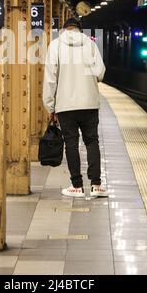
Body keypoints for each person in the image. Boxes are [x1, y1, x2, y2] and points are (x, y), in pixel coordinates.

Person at [42, 17, 108, 198]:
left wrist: (50, 105)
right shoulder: (90, 45)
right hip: (89, 103)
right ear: (80, 30)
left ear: (64, 29)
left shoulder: (55, 45)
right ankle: (96, 185)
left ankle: (77, 186)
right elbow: (100, 73)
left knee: (71, 143)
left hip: (65, 105)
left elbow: (50, 78)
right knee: (92, 141)